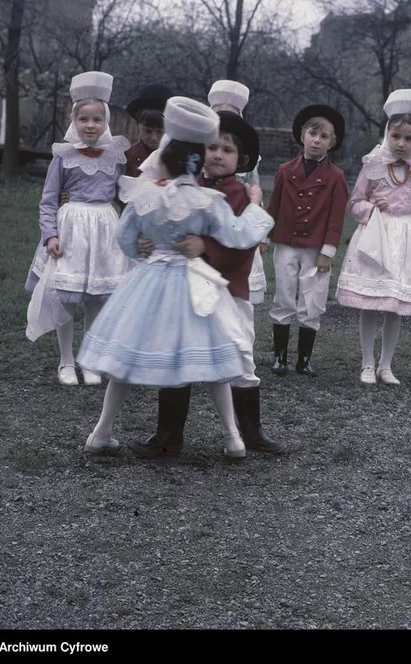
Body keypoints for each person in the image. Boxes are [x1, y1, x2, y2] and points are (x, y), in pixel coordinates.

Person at [76, 97, 275, 458]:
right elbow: (240, 234)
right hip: (192, 284)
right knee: (215, 358)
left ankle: (101, 432)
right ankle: (232, 438)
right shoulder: (207, 200)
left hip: (151, 282)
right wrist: (257, 206)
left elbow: (124, 239)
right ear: (197, 160)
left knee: (128, 357)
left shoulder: (143, 196)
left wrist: (146, 253)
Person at [128, 110, 289, 458]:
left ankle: (251, 430)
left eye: (227, 150)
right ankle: (168, 434)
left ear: (242, 160)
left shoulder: (241, 194)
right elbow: (165, 224)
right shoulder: (187, 187)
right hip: (184, 289)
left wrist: (208, 247)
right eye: (212, 147)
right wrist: (148, 242)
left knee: (239, 353)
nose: (218, 155)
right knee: (178, 354)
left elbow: (244, 241)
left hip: (229, 289)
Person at [25, 71, 131, 386]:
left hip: (103, 232)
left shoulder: (116, 156)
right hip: (70, 231)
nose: (90, 125)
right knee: (67, 298)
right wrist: (51, 235)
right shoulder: (64, 156)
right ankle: (66, 360)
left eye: (97, 119)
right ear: (74, 121)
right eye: (83, 119)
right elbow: (47, 201)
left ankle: (90, 358)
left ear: (106, 122)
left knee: (96, 299)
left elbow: (124, 195)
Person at [336, 89, 411, 385]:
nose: (402, 144)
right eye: (396, 136)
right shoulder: (373, 165)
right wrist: (370, 208)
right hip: (376, 237)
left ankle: (386, 365)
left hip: (405, 242)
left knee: (394, 306)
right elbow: (355, 201)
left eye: (409, 138)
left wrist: (410, 233)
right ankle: (367, 363)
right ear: (387, 134)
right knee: (372, 302)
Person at [265, 104, 348, 377]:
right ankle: (280, 357)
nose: (317, 140)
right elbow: (274, 206)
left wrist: (327, 251)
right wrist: (264, 235)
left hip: (315, 249)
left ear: (332, 143)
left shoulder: (336, 177)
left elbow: (336, 219)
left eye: (324, 136)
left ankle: (304, 359)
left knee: (311, 301)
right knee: (284, 297)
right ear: (302, 134)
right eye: (313, 133)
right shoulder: (285, 170)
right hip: (286, 243)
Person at [207, 79, 267, 305]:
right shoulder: (204, 156)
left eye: (230, 112)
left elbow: (255, 191)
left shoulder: (244, 160)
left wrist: (262, 237)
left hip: (238, 225)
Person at [124, 83, 173, 177]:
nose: (154, 138)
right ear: (138, 126)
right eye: (147, 131)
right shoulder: (127, 157)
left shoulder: (180, 158)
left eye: (160, 131)